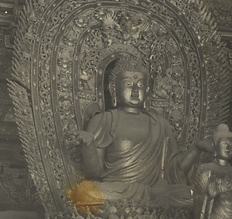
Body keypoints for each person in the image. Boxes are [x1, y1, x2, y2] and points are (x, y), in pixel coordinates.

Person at [75, 55, 212, 208]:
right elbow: (95, 173)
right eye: (128, 84)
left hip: (154, 191)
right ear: (114, 89)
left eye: (140, 85)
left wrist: (196, 149)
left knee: (192, 195)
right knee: (84, 192)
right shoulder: (104, 120)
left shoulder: (160, 124)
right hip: (117, 189)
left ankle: (148, 199)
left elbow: (174, 171)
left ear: (147, 90)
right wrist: (88, 145)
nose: (135, 91)